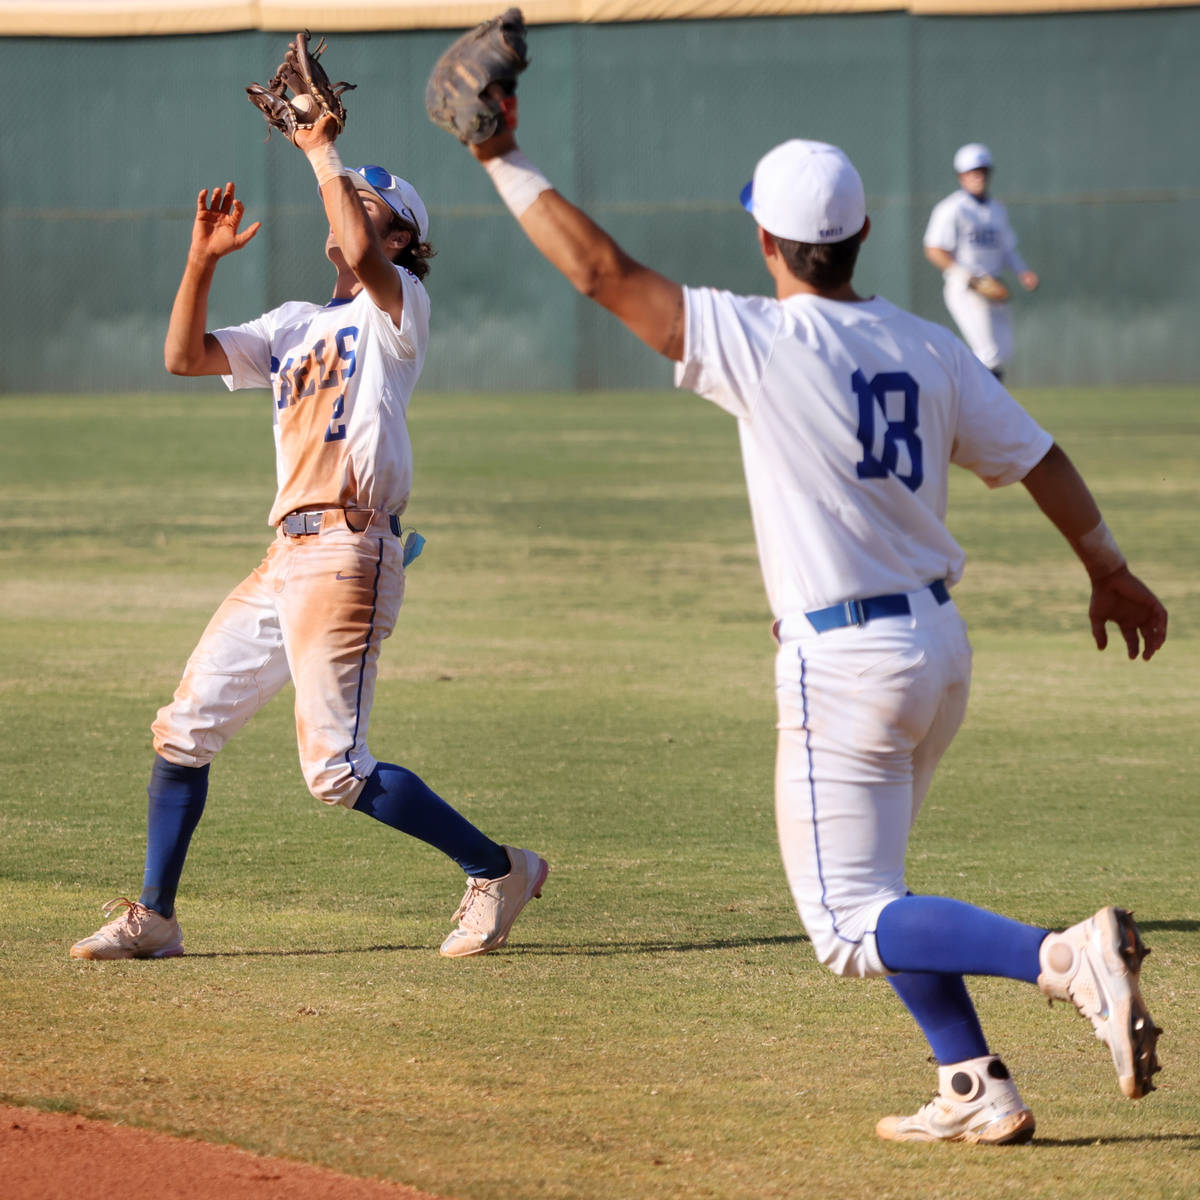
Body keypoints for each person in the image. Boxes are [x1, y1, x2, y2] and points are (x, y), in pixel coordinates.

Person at [443, 87, 1166, 1142]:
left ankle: (1065, 960)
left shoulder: (762, 338)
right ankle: (974, 1083)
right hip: (938, 649)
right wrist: (1108, 567)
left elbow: (601, 274)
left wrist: (498, 152)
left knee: (847, 923)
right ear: (864, 233)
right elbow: (1041, 459)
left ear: (767, 240)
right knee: (882, 890)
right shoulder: (929, 345)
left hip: (846, 662)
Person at [70, 113, 547, 963]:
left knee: (335, 770)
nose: (349, 215)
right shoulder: (295, 323)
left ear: (401, 238)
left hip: (349, 549)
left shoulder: (397, 306)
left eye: (366, 207)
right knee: (183, 731)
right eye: (347, 201)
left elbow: (364, 259)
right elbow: (184, 357)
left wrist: (321, 150)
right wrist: (201, 262)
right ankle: (156, 918)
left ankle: (498, 870)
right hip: (284, 556)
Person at [923, 143, 1039, 381]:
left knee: (1004, 351)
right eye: (971, 172)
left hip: (993, 285)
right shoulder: (952, 208)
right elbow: (933, 249)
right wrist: (967, 276)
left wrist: (1022, 271)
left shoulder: (997, 209)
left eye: (982, 171)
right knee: (989, 354)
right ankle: (983, 409)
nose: (978, 176)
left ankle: (963, 393)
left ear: (989, 174)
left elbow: (1007, 248)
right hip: (965, 287)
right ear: (961, 176)